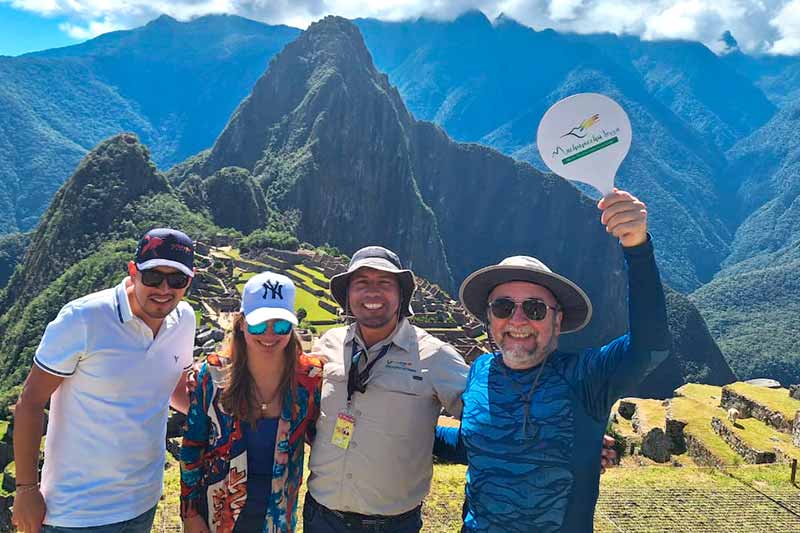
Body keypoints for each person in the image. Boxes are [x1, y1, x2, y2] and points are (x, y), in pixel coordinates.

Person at [434, 188, 671, 532]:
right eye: (503, 307)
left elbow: (650, 346)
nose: (517, 320)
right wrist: (403, 428)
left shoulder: (586, 377)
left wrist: (637, 247)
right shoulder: (480, 372)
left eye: (534, 308)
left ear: (557, 320)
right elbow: (476, 444)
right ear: (489, 318)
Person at [12, 228, 197, 533]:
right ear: (133, 271)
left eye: (176, 280)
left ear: (188, 282)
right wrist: (26, 489)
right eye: (152, 277)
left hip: (143, 501)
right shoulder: (84, 319)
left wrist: (227, 412)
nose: (164, 289)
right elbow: (30, 402)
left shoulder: (184, 320)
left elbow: (174, 390)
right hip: (78, 513)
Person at [302, 246, 470, 533]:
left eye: (384, 283)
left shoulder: (436, 356)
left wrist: (432, 439)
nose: (372, 292)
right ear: (348, 295)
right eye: (362, 283)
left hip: (391, 524)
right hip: (321, 516)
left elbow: (484, 422)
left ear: (401, 295)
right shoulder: (328, 344)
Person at [180, 272, 322, 533]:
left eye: (281, 326)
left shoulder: (309, 379)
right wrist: (189, 514)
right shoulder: (211, 376)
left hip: (277, 516)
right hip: (217, 513)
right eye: (258, 325)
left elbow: (321, 438)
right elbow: (192, 447)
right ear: (242, 324)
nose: (269, 334)